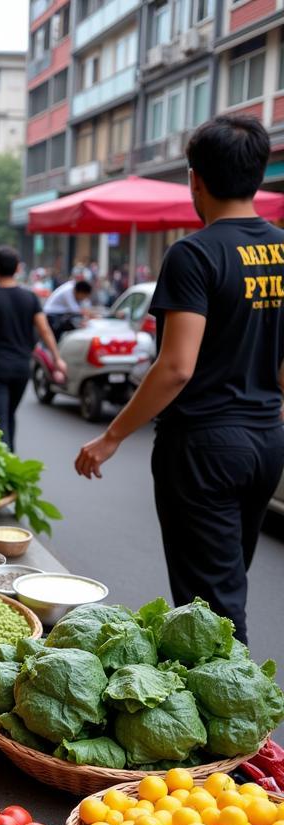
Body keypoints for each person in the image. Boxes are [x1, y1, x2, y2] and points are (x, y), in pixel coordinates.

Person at [75, 115, 284, 642]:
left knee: (209, 609)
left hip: (204, 449)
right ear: (259, 173)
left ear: (196, 179)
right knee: (228, 581)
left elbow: (176, 367)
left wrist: (111, 436)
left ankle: (239, 714)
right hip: (266, 441)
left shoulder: (195, 254)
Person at [0, 246, 67, 451]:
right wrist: (57, 358)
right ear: (17, 269)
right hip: (22, 368)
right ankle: (10, 459)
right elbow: (45, 330)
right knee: (8, 415)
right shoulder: (30, 298)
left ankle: (2, 469)